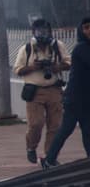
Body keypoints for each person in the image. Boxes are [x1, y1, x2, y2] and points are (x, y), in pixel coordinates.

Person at [14, 18, 69, 164]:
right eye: (39, 31)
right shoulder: (26, 49)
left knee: (55, 125)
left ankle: (49, 156)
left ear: (50, 31)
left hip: (54, 89)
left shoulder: (58, 46)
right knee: (36, 123)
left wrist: (57, 66)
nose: (42, 34)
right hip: (34, 91)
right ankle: (31, 147)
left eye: (45, 31)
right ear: (33, 32)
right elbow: (18, 70)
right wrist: (33, 67)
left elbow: (68, 63)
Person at [41, 17, 90, 168]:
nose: (89, 30)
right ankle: (49, 159)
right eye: (86, 28)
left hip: (85, 98)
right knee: (68, 129)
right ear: (81, 31)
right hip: (75, 98)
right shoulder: (81, 48)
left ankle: (51, 159)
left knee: (85, 130)